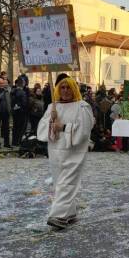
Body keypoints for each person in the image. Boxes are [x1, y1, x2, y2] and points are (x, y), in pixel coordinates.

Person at [37, 76, 95, 230]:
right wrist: (51, 123)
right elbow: (42, 129)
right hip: (56, 149)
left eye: (68, 87)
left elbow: (84, 129)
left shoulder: (82, 106)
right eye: (62, 88)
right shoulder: (52, 107)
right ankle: (70, 213)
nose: (65, 91)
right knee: (59, 182)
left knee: (67, 182)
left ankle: (58, 215)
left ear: (74, 88)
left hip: (74, 150)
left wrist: (63, 127)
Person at [11, 77, 29, 146]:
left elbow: (12, 102)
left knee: (15, 127)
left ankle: (14, 142)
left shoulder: (13, 91)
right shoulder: (22, 93)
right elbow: (24, 103)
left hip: (14, 112)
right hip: (21, 112)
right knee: (20, 128)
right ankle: (18, 142)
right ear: (23, 84)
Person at [0, 78, 12, 148]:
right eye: (1, 83)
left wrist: (10, 110)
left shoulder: (7, 91)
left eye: (3, 83)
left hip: (6, 112)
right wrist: (4, 92)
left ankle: (7, 143)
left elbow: (9, 101)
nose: (3, 84)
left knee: (6, 128)